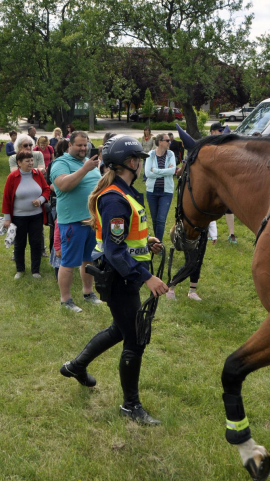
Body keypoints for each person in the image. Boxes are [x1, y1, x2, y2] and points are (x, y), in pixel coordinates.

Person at [59, 135, 169, 425]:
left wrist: (148, 242)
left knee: (120, 330)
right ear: (131, 163)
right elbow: (115, 251)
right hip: (120, 279)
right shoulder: (114, 199)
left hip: (124, 276)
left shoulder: (125, 193)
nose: (140, 166)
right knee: (134, 339)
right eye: (139, 161)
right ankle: (130, 406)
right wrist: (148, 278)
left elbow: (127, 239)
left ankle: (76, 366)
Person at [50, 131, 102, 312]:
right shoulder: (61, 163)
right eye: (79, 145)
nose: (83, 148)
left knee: (89, 260)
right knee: (69, 262)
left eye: (85, 144)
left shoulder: (89, 163)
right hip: (73, 221)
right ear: (70, 145)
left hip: (92, 221)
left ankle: (88, 293)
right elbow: (63, 185)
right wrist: (85, 169)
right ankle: (66, 300)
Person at [2, 150, 52, 279]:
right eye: (27, 161)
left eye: (31, 160)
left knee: (36, 243)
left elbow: (46, 189)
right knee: (20, 243)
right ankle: (20, 270)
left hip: (37, 215)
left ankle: (35, 271)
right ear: (19, 163)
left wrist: (40, 200)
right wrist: (7, 218)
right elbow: (7, 198)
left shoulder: (37, 174)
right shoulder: (12, 177)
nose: (31, 163)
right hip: (19, 217)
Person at [209, 123, 238, 244]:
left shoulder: (225, 142)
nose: (221, 132)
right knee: (209, 206)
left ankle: (232, 234)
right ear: (212, 132)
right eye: (219, 130)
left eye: (222, 130)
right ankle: (210, 233)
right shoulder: (209, 144)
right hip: (213, 179)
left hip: (225, 179)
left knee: (229, 208)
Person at [144, 133, 177, 242]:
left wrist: (156, 171)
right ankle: (157, 242)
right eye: (167, 140)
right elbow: (148, 173)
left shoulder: (171, 154)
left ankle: (159, 244)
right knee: (155, 219)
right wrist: (165, 172)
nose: (169, 142)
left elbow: (172, 171)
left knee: (161, 219)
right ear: (160, 142)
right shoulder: (151, 154)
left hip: (166, 192)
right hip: (152, 191)